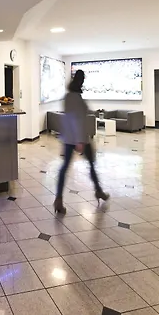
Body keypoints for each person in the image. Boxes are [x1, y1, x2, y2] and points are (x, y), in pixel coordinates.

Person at [54, 69, 110, 214]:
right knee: (91, 164)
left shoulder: (68, 96)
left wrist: (64, 137)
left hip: (68, 138)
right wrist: (80, 141)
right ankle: (98, 191)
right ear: (82, 80)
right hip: (79, 139)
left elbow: (67, 119)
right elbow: (77, 120)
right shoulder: (77, 98)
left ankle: (58, 199)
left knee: (65, 167)